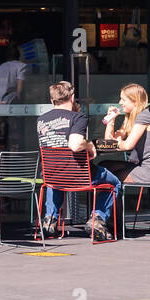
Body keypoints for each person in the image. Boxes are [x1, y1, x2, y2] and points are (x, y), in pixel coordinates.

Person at [36, 80, 121, 240]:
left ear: (52, 100)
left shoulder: (41, 120)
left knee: (56, 180)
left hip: (51, 175)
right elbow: (75, 145)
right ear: (72, 97)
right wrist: (89, 146)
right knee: (114, 183)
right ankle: (97, 219)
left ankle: (50, 220)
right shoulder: (78, 117)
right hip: (79, 176)